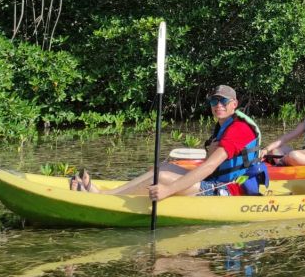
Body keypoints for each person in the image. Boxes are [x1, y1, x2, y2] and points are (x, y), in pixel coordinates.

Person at [71, 85, 263, 199]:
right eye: (214, 101)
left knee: (161, 178)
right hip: (215, 182)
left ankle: (106, 198)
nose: (218, 105)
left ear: (234, 104)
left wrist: (168, 190)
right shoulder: (224, 125)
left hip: (229, 190)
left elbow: (210, 166)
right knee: (160, 168)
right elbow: (212, 164)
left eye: (223, 101)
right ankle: (107, 194)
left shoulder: (239, 129)